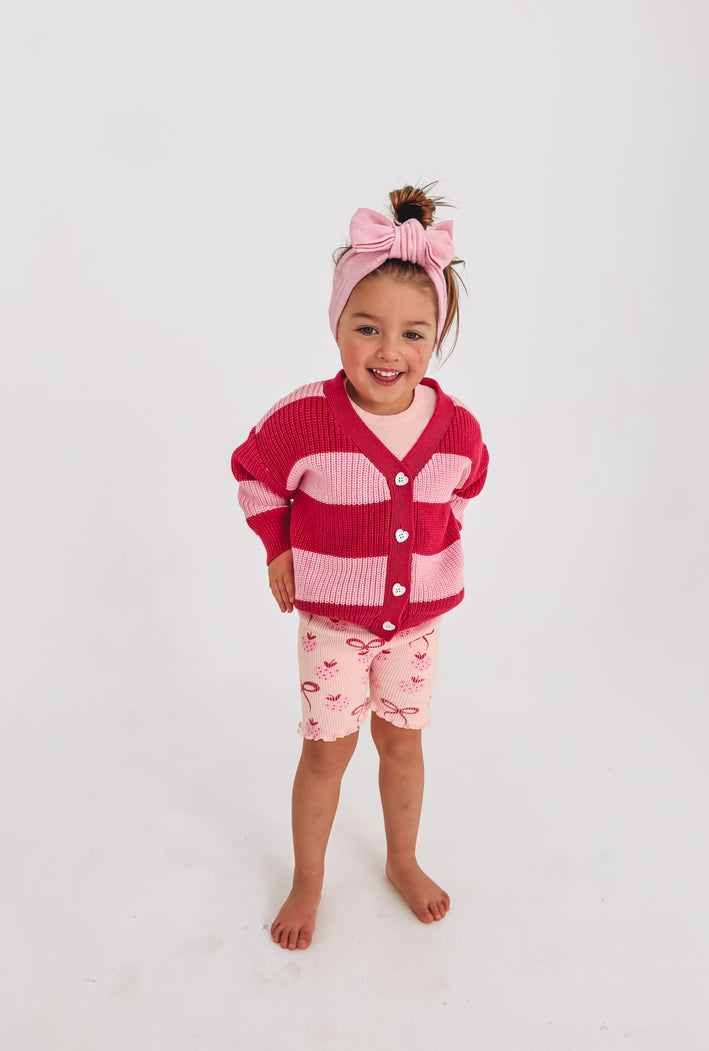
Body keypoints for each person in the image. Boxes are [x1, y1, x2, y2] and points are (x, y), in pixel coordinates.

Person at [231, 184, 489, 950]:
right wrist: (279, 547)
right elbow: (254, 473)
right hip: (333, 628)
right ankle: (308, 878)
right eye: (366, 327)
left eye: (412, 333)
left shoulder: (457, 428)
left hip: (415, 629)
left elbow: (466, 485)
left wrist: (436, 543)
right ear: (337, 323)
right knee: (326, 753)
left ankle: (402, 859)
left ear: (435, 339)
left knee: (403, 745)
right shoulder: (304, 419)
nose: (388, 351)